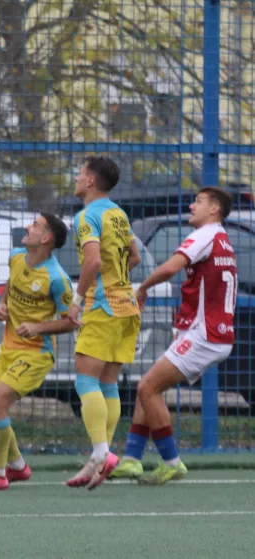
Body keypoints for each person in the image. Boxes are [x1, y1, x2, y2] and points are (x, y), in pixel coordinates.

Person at [111, 188, 236, 485]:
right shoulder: (221, 239)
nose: (192, 205)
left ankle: (171, 461)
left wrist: (142, 288)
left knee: (147, 387)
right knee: (150, 388)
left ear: (214, 208)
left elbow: (171, 267)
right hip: (208, 332)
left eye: (199, 201)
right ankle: (131, 459)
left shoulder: (206, 234)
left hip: (205, 335)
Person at [0, 213, 75, 491]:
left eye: (35, 225)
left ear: (46, 238)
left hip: (36, 354)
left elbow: (70, 322)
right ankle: (17, 466)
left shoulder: (57, 279)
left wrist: (38, 327)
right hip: (9, 348)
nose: (27, 227)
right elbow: (10, 286)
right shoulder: (17, 256)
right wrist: (2, 305)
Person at [66, 155, 141, 490]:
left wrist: (77, 300)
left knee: (85, 381)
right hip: (126, 305)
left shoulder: (87, 216)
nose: (77, 177)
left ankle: (101, 453)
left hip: (102, 305)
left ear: (91, 180)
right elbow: (134, 256)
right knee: (108, 384)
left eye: (81, 173)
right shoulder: (119, 214)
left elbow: (93, 260)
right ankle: (102, 458)